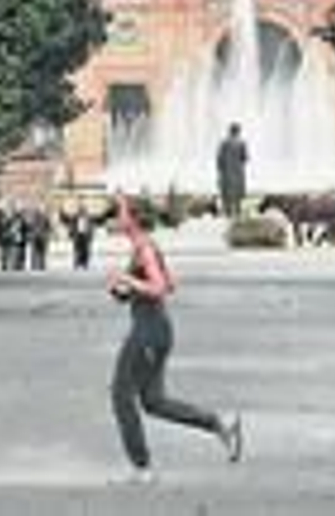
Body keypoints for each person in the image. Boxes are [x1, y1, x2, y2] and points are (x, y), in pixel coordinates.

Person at [107, 191, 242, 481]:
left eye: (121, 212)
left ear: (132, 218)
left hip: (148, 333)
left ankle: (141, 468)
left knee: (120, 395)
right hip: (155, 330)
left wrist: (128, 279)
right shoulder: (144, 246)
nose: (117, 218)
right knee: (154, 402)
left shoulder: (144, 248)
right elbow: (169, 283)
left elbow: (159, 288)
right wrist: (125, 290)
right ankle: (220, 423)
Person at [215, 123, 249, 220]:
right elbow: (245, 158)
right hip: (238, 173)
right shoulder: (242, 144)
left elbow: (219, 160)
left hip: (226, 173)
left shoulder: (224, 144)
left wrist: (220, 172)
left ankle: (227, 213)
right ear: (238, 132)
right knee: (237, 195)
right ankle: (237, 212)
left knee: (226, 194)